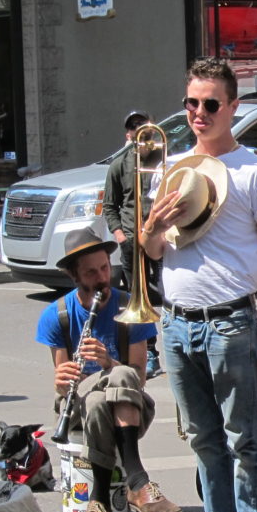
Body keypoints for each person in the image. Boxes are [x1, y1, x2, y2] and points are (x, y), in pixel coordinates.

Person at [141, 58, 257, 512]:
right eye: (191, 104)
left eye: (209, 104)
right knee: (203, 436)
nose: (199, 113)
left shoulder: (256, 171)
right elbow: (156, 251)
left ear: (232, 107)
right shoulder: (173, 169)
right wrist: (150, 228)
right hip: (176, 320)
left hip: (230, 320)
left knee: (244, 435)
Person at [35, 228, 180, 512]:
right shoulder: (56, 315)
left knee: (117, 380)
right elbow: (64, 385)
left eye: (104, 268)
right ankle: (138, 481)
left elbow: (138, 377)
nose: (102, 277)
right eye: (91, 272)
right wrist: (61, 381)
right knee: (100, 394)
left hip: (127, 402)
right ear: (75, 276)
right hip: (77, 403)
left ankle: (99, 501)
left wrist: (107, 363)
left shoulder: (130, 306)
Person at [104, 109, 164, 378]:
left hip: (160, 237)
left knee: (167, 291)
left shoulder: (163, 159)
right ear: (128, 134)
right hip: (131, 238)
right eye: (134, 127)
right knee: (138, 300)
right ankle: (148, 352)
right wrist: (120, 235)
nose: (139, 131)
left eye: (144, 125)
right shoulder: (120, 164)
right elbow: (109, 206)